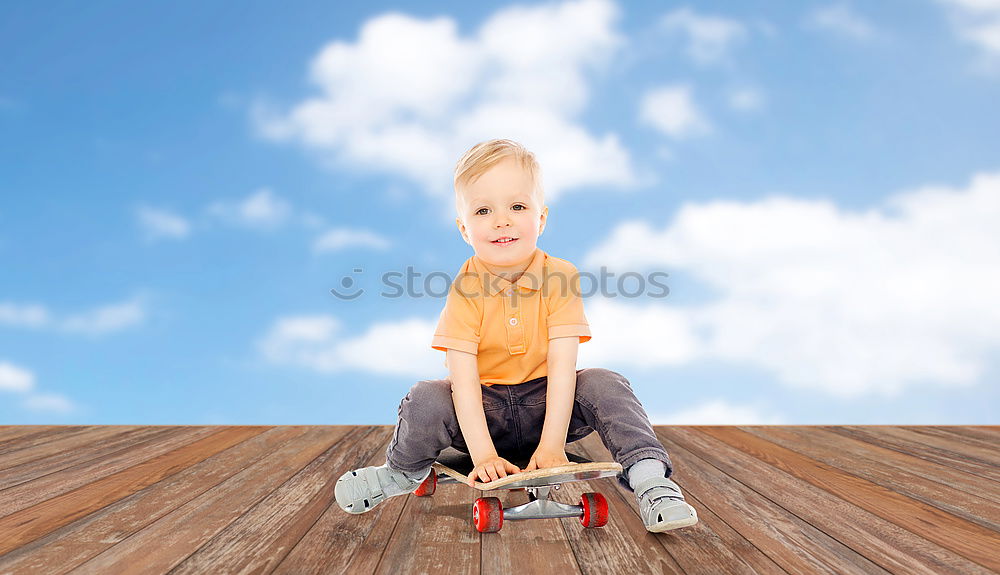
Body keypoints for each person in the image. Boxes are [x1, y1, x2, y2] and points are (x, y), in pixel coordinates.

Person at [335, 139, 697, 532]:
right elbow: (464, 380)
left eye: (517, 207)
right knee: (426, 396)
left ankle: (652, 483)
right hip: (483, 411)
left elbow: (563, 365)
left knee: (605, 382)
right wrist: (484, 454)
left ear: (541, 219)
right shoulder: (464, 290)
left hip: (546, 405)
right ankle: (400, 473)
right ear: (463, 228)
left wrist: (553, 445)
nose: (501, 220)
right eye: (483, 210)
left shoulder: (560, 276)